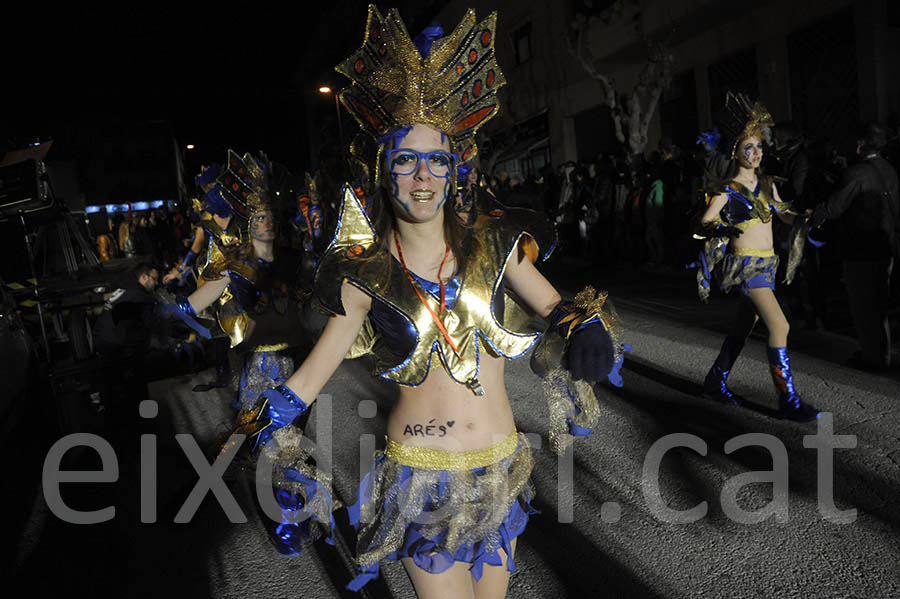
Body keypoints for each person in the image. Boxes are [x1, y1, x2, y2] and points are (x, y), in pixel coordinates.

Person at [228, 7, 627, 598]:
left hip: (502, 469)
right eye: (406, 159)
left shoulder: (495, 245)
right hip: (423, 481)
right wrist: (264, 426)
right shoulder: (364, 272)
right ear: (384, 169)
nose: (421, 176)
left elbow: (557, 307)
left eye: (435, 159)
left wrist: (586, 327)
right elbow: (317, 369)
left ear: (454, 168)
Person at [694, 92, 819, 422]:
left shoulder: (767, 183)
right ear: (736, 151)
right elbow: (705, 222)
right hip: (747, 267)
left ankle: (714, 381)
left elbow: (783, 213)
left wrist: (806, 216)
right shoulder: (728, 189)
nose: (756, 152)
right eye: (748, 147)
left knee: (741, 332)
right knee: (780, 324)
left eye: (759, 146)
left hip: (767, 264)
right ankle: (787, 400)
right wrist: (722, 229)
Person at [812, 122, 899, 370]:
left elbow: (834, 208)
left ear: (860, 144)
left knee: (863, 306)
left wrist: (812, 218)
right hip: (885, 246)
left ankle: (873, 357)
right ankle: (880, 353)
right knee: (879, 304)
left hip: (861, 249)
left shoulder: (858, 172)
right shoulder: (888, 168)